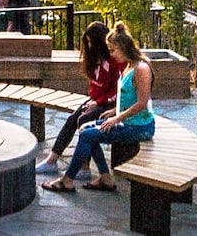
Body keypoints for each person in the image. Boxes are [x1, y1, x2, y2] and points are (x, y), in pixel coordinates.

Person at [45, 25, 155, 192]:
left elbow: (142, 103)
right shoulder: (128, 66)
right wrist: (114, 111)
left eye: (113, 50)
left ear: (123, 47)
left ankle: (67, 180)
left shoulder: (141, 69)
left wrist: (116, 118)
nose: (111, 54)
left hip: (140, 127)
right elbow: (126, 98)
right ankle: (105, 178)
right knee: (85, 128)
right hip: (126, 122)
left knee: (88, 135)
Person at [37, 21, 118, 177]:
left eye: (91, 42)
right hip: (96, 101)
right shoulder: (95, 59)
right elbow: (95, 87)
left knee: (84, 120)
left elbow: (116, 90)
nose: (89, 46)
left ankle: (84, 167)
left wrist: (97, 102)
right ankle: (51, 160)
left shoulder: (113, 61)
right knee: (72, 119)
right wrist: (92, 101)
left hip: (112, 104)